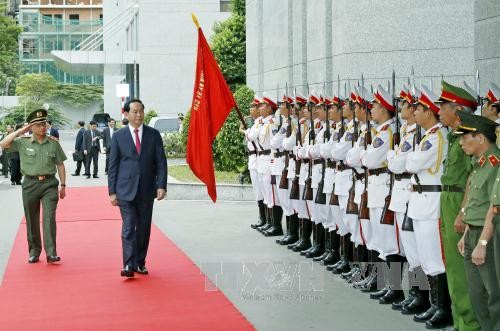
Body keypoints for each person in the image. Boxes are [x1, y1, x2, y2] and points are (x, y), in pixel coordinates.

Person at [436, 80, 481, 331]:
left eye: (443, 107)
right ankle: (460, 319)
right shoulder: (454, 137)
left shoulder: (468, 138)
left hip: (458, 201)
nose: (439, 112)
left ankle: (470, 323)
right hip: (447, 199)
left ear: (458, 110)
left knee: (462, 268)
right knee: (451, 265)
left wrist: (463, 212)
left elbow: (473, 177)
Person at [108, 99, 167, 278]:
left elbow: (161, 162)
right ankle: (128, 264)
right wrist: (112, 192)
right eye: (135, 111)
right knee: (128, 228)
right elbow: (113, 165)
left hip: (147, 190)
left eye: (141, 111)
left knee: (143, 228)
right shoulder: (118, 136)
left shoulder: (153, 134)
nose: (139, 115)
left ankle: (140, 262)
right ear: (126, 114)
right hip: (125, 190)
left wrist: (161, 185)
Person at [0, 109, 67, 264]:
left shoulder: (53, 143)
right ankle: (34, 251)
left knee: (49, 218)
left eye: (44, 124)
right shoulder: (22, 142)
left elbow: (60, 165)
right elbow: (3, 144)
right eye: (38, 125)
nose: (42, 127)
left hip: (50, 184)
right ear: (31, 127)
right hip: (30, 184)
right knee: (32, 219)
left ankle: (51, 253)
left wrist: (63, 185)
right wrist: (21, 130)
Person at [455, 111, 500, 331]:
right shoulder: (479, 162)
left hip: (488, 236)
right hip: (473, 234)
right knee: (476, 294)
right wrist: (466, 233)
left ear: (481, 138)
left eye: (466, 136)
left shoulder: (495, 164)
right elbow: (475, 201)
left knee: (493, 295)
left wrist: (482, 243)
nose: (461, 141)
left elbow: (494, 208)